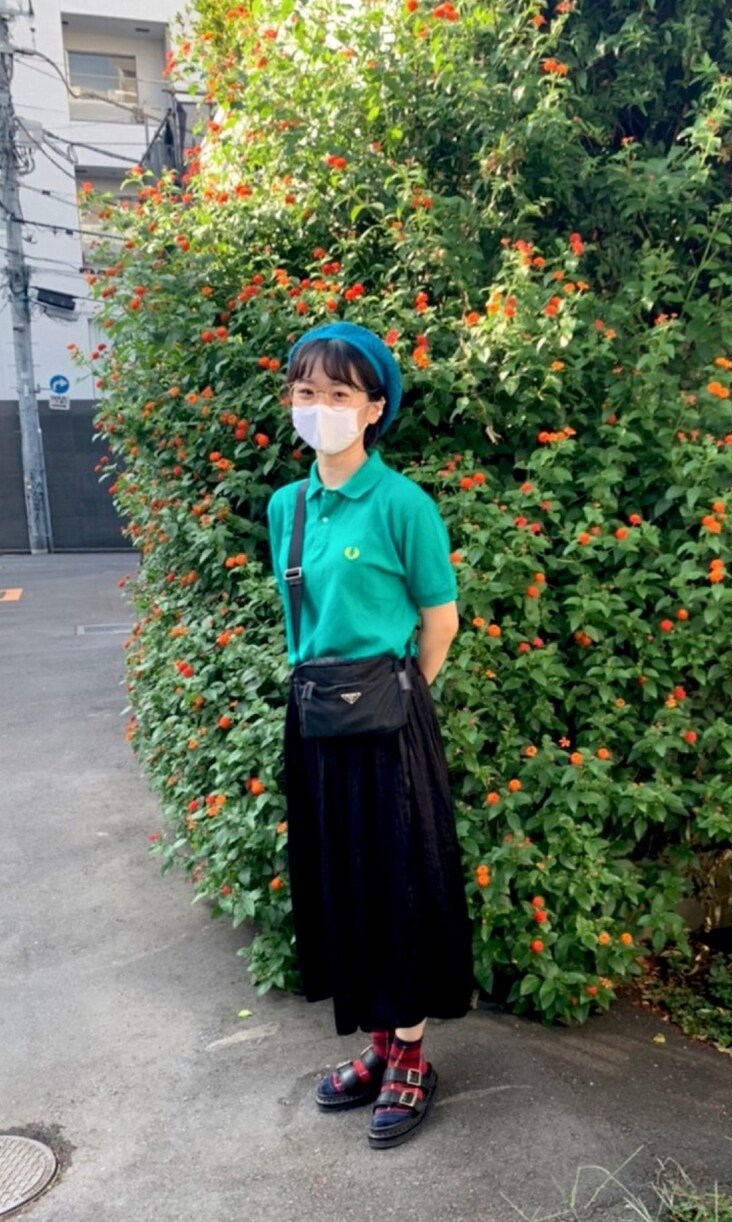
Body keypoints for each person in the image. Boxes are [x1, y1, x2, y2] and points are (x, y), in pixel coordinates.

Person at [266, 321, 473, 1150]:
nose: (319, 406)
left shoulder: (402, 505)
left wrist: (401, 698)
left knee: (398, 882)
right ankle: (380, 1042)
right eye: (306, 391)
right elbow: (301, 622)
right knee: (341, 880)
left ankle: (412, 1051)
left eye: (339, 393)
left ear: (374, 407)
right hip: (317, 722)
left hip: (391, 725)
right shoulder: (286, 507)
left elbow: (440, 621)